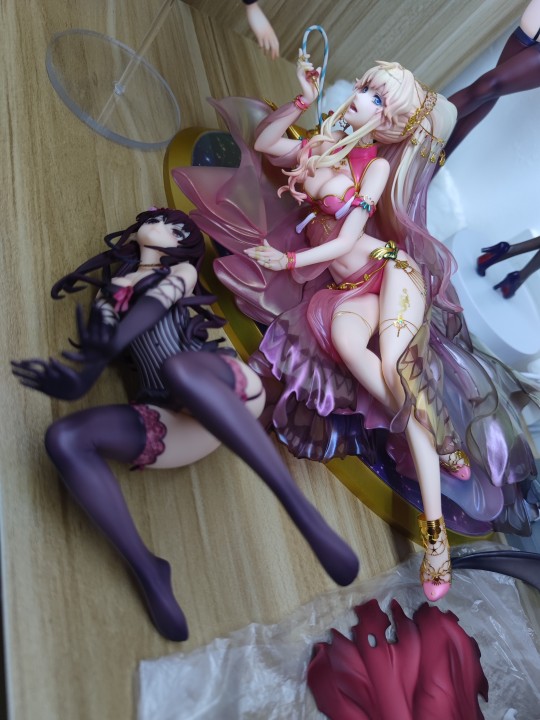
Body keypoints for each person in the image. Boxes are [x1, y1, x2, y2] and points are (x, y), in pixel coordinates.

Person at [172, 58, 539, 601]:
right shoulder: (321, 145)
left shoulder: (375, 170)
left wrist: (289, 262)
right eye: (366, 87)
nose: (360, 97)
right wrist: (301, 98)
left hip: (391, 273)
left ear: (387, 123)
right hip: (349, 292)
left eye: (376, 97)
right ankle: (430, 429)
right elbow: (267, 142)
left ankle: (435, 536)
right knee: (348, 345)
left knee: (394, 366)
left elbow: (346, 242)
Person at [11, 208, 359, 641]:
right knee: (63, 438)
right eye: (162, 220)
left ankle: (302, 511)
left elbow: (149, 310)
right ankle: (148, 570)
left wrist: (101, 355)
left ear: (181, 246)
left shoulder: (181, 273)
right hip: (175, 423)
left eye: (176, 228)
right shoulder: (110, 293)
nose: (164, 226)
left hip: (221, 388)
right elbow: (105, 339)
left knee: (179, 369)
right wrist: (82, 375)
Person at [445, 0, 540, 159]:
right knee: (488, 94)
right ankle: (431, 164)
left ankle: (417, 128)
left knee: (488, 86)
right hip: (532, 23)